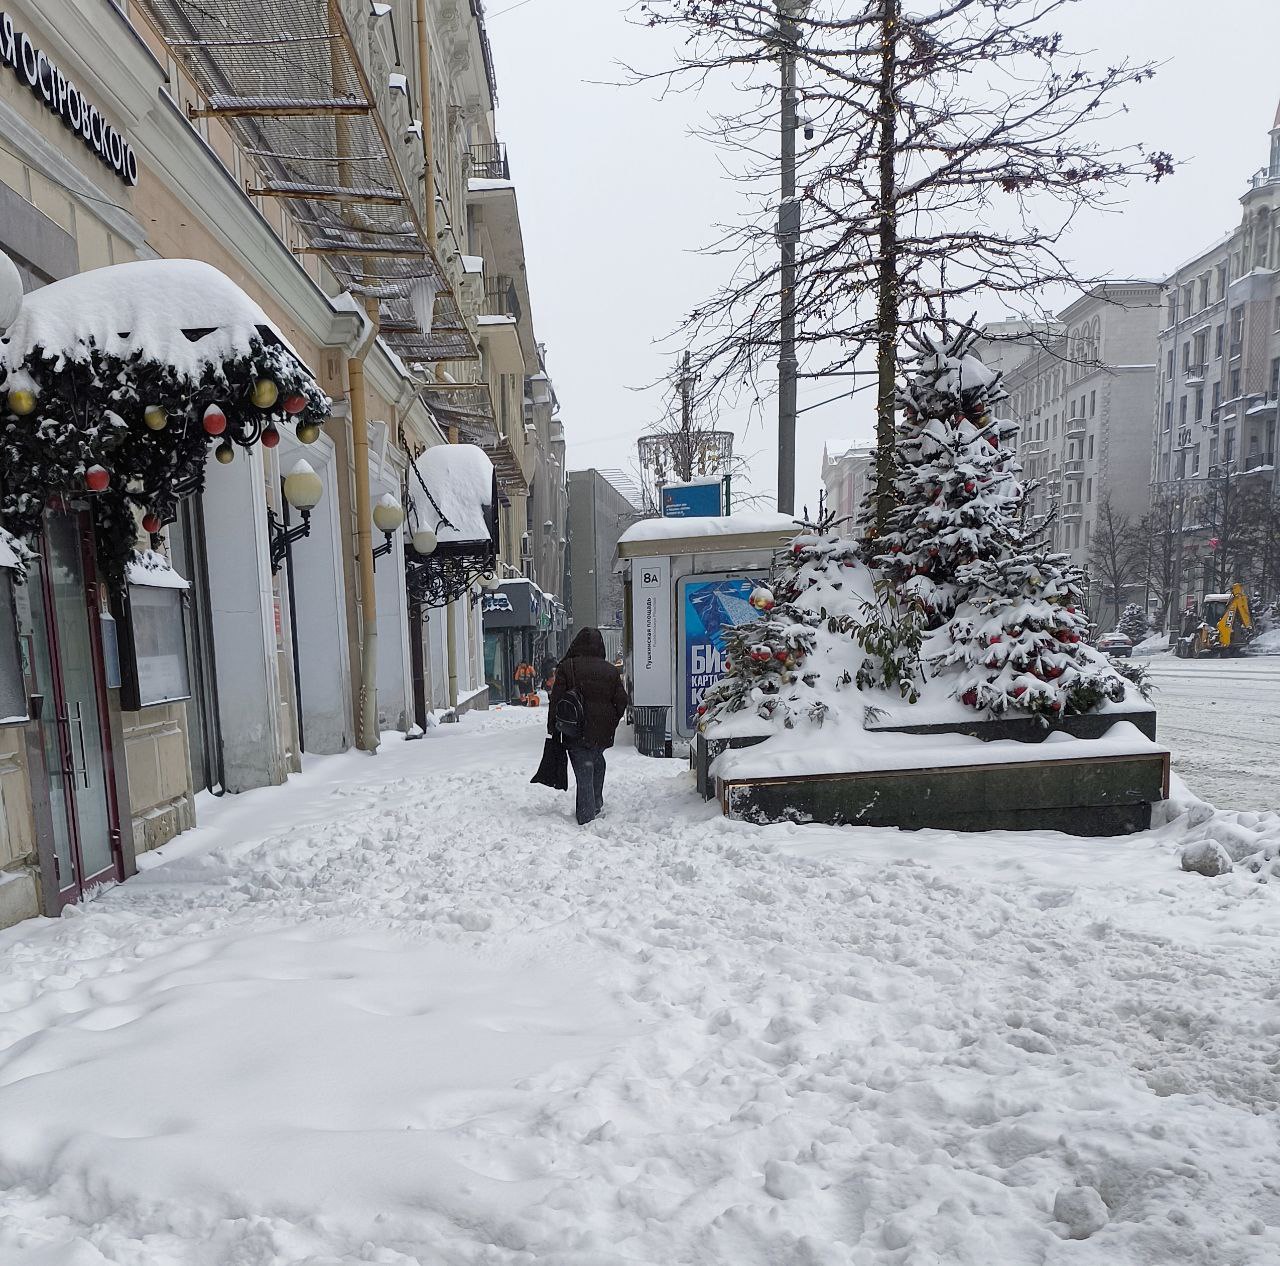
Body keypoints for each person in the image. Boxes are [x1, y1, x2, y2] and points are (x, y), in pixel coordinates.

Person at [548, 627, 628, 825]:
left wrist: (553, 726)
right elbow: (621, 700)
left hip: (575, 729)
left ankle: (586, 817)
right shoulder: (610, 670)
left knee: (584, 769)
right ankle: (596, 801)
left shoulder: (568, 667)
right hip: (601, 731)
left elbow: (556, 700)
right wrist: (611, 721)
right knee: (596, 761)